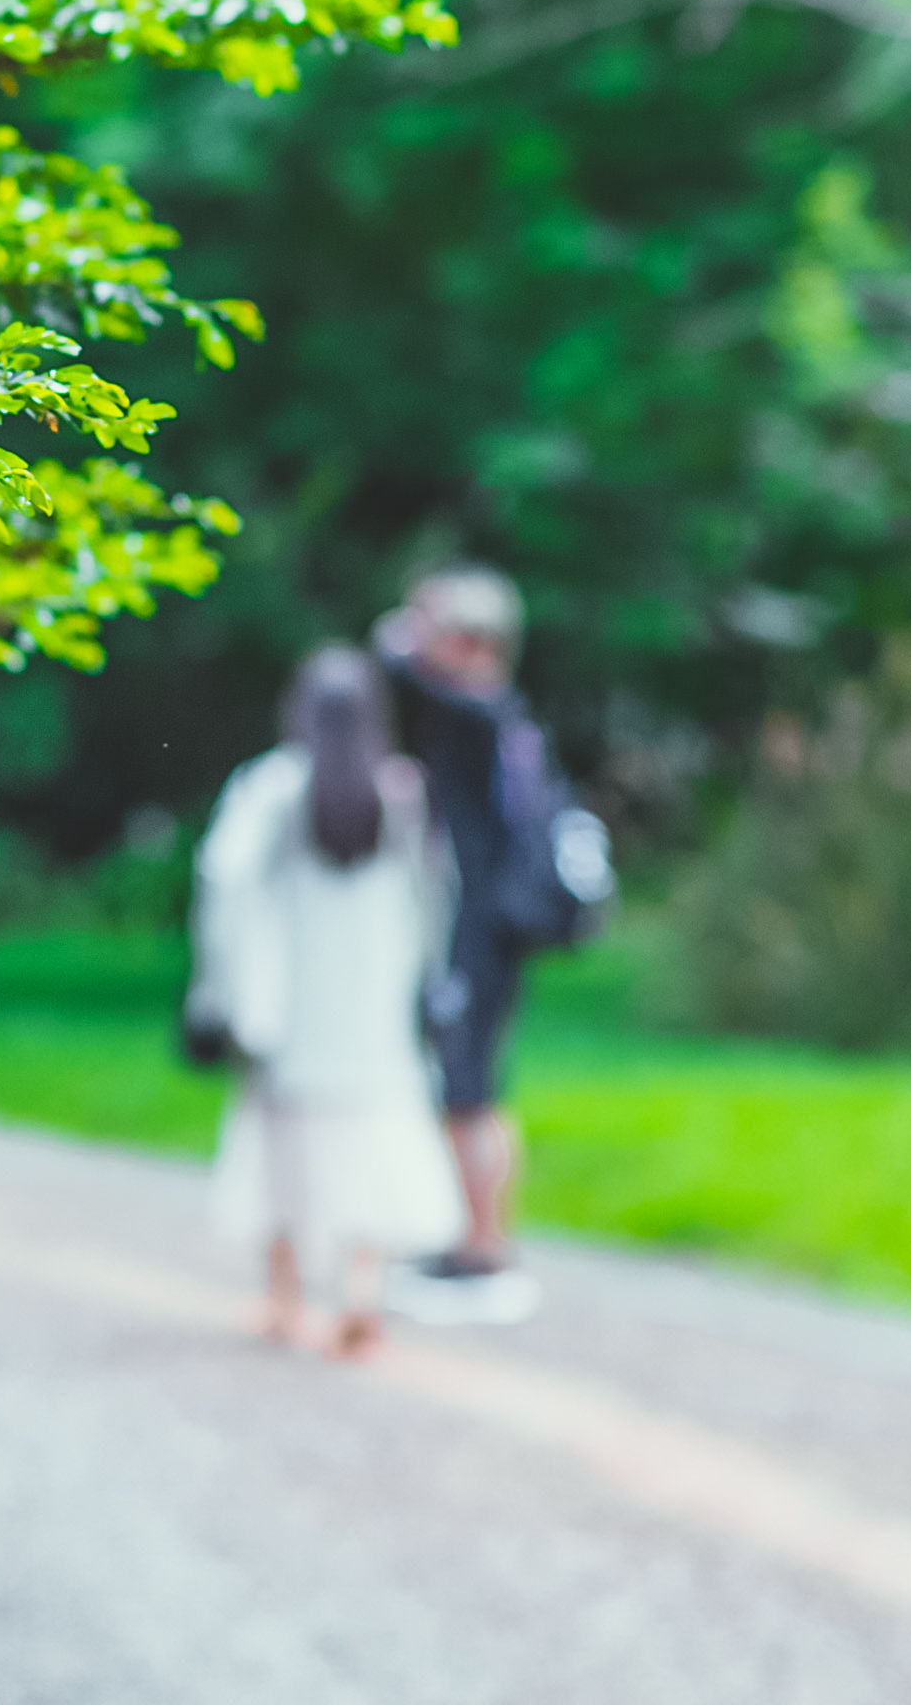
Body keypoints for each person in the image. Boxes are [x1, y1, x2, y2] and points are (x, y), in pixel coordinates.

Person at [192, 644, 464, 1359]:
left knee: (282, 1150)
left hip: (290, 1008)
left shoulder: (273, 787)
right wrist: (428, 980)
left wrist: (219, 985)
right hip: (374, 1011)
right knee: (369, 1149)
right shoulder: (402, 789)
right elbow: (436, 897)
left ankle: (284, 1299)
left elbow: (223, 879)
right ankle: (361, 1292)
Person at [373, 563, 609, 1321]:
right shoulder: (507, 720)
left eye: (440, 628)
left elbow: (393, 665)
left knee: (471, 1085)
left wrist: (401, 638)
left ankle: (482, 1246)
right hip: (492, 926)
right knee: (470, 1082)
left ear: (474, 642)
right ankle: (470, 1236)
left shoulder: (478, 713)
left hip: (479, 929)